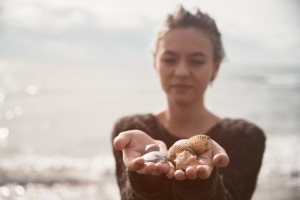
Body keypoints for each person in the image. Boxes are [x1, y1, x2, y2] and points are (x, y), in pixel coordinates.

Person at [111, 6, 266, 200]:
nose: (182, 72)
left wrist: (199, 182)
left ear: (216, 67)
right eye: (169, 59)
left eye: (196, 61)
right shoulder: (130, 131)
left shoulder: (245, 137)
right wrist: (148, 179)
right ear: (155, 63)